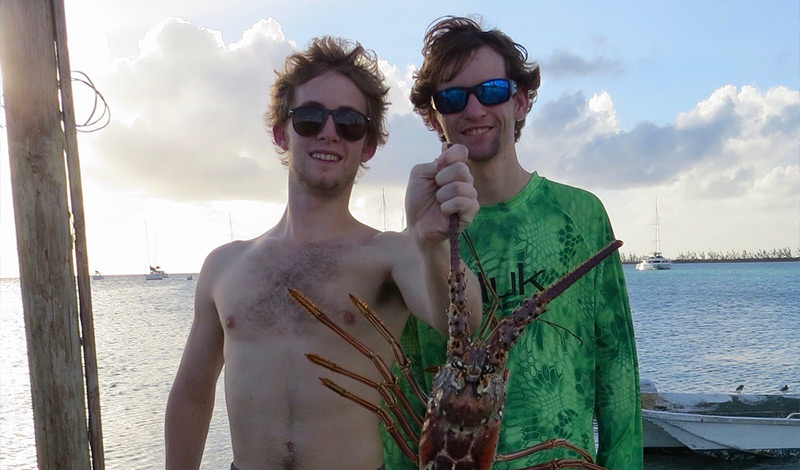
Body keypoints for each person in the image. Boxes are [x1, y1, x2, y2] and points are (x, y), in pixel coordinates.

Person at [165, 36, 482, 470]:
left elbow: (462, 321)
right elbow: (192, 395)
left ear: (367, 145)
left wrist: (435, 244)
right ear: (282, 133)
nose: (329, 132)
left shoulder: (391, 255)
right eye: (310, 118)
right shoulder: (224, 266)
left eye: (350, 122)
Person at [382, 17, 642, 470]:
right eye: (452, 97)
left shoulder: (581, 216)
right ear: (434, 115)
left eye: (493, 91)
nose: (475, 108)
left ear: (521, 100)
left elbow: (617, 368)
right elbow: (402, 396)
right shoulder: (415, 241)